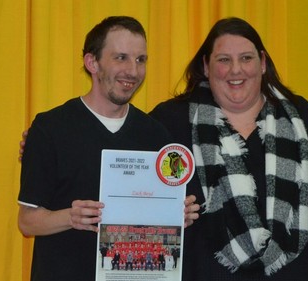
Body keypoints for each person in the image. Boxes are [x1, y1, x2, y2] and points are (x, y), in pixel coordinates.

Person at [149, 17, 308, 281]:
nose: (236, 70)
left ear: (263, 63)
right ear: (206, 66)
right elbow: (142, 196)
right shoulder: (170, 122)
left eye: (246, 58)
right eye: (223, 60)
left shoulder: (301, 117)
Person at [17, 16, 199, 281]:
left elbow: (157, 217)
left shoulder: (156, 134)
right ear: (92, 62)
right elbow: (27, 221)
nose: (133, 71)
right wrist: (72, 217)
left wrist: (175, 215)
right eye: (120, 58)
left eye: (140, 60)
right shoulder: (50, 128)